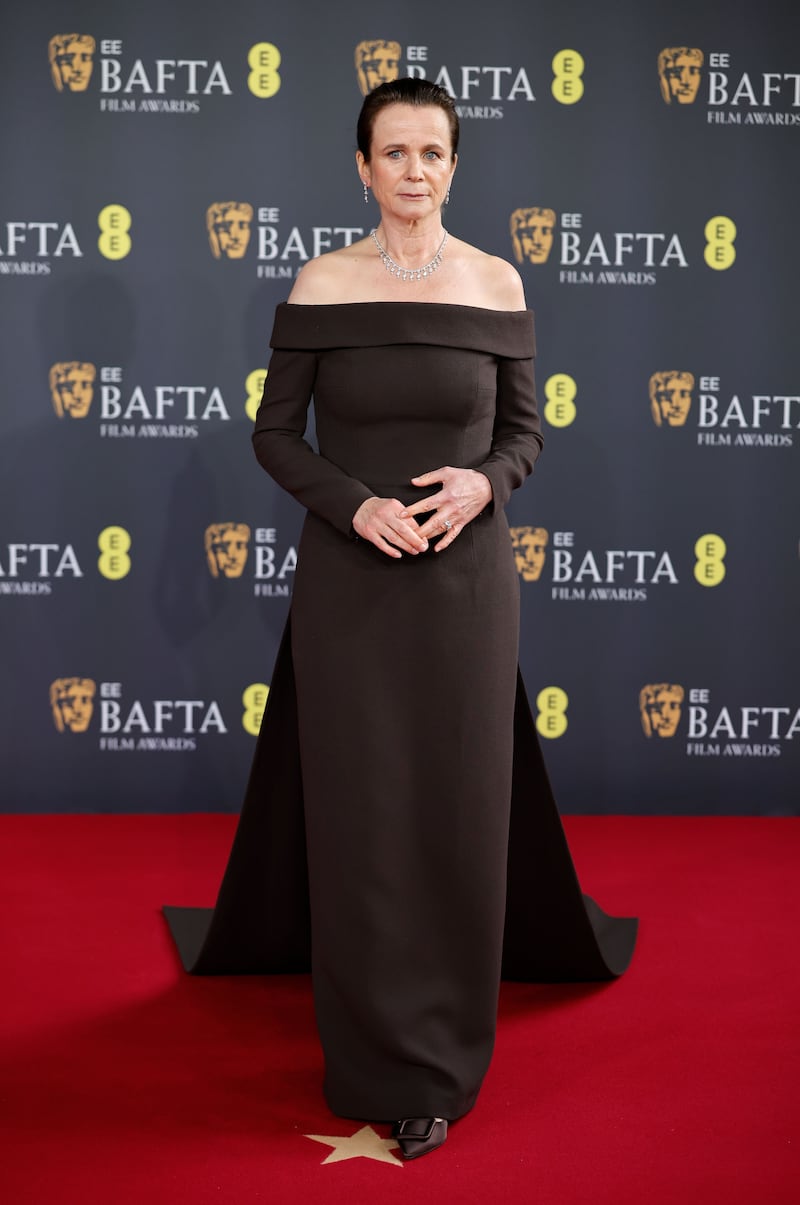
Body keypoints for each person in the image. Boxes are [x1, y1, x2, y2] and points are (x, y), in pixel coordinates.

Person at [166, 77, 636, 1162]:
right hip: (350, 586)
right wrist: (355, 503)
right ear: (361, 168)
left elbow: (523, 435)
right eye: (394, 152)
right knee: (363, 822)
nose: (414, 171)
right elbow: (274, 435)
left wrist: (483, 485)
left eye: (432, 152)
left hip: (466, 594)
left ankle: (440, 1061)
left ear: (453, 166)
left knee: (454, 818)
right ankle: (372, 1057)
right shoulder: (321, 282)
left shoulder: (496, 279)